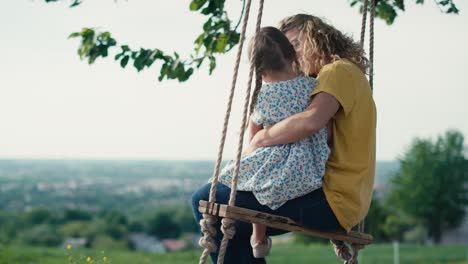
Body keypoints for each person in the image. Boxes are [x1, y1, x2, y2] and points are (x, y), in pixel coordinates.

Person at [191, 14, 376, 264]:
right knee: (234, 226)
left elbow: (310, 121)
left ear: (317, 39)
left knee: (206, 198)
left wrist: (261, 139)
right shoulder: (322, 80)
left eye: (296, 44)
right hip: (335, 196)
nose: (294, 55)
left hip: (331, 198)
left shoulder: (337, 70)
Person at [217, 26, 330, 258]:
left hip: (274, 175)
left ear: (261, 72)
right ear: (293, 56)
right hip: (309, 172)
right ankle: (257, 238)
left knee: (249, 182)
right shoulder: (312, 87)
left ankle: (258, 239)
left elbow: (254, 140)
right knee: (259, 181)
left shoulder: (264, 96)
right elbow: (327, 131)